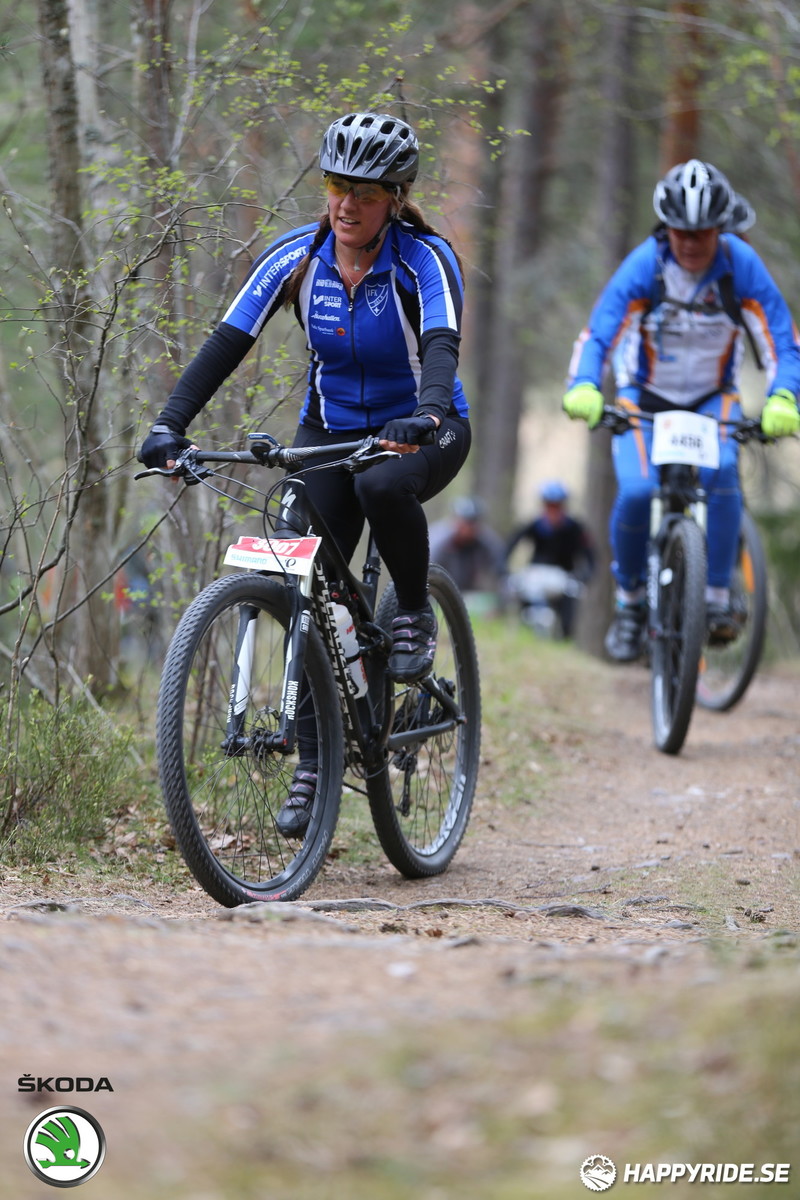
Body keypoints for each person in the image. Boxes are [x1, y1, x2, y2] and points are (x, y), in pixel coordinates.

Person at [139, 111, 471, 834]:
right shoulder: (297, 255)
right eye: (334, 184)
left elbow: (442, 344)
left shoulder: (423, 259)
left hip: (423, 427)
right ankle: (315, 764)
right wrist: (171, 424)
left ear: (395, 196)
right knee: (302, 567)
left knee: (383, 485)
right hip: (326, 436)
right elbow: (227, 342)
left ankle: (412, 607)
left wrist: (428, 410)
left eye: (365, 190)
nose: (346, 203)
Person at [562, 159, 800, 662]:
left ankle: (714, 598)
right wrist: (584, 384)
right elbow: (600, 333)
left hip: (713, 396)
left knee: (725, 471)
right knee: (639, 490)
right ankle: (629, 604)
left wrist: (784, 396)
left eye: (704, 232)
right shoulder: (645, 265)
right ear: (665, 228)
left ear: (721, 228)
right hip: (644, 396)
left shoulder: (741, 266)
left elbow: (782, 341)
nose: (691, 243)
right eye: (681, 232)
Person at [504, 480, 595, 636]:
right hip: (536, 573)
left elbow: (590, 556)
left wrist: (584, 576)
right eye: (549, 505)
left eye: (557, 505)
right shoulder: (535, 525)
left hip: (564, 576)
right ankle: (526, 633)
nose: (553, 510)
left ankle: (564, 638)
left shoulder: (575, 528)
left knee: (569, 602)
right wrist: (504, 571)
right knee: (523, 594)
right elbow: (510, 545)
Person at [428, 496, 506, 599]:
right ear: (455, 520)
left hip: (469, 591)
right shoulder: (438, 539)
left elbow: (500, 567)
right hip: (438, 591)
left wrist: (500, 599)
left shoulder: (486, 540)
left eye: (474, 523)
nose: (470, 528)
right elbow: (425, 570)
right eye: (466, 522)